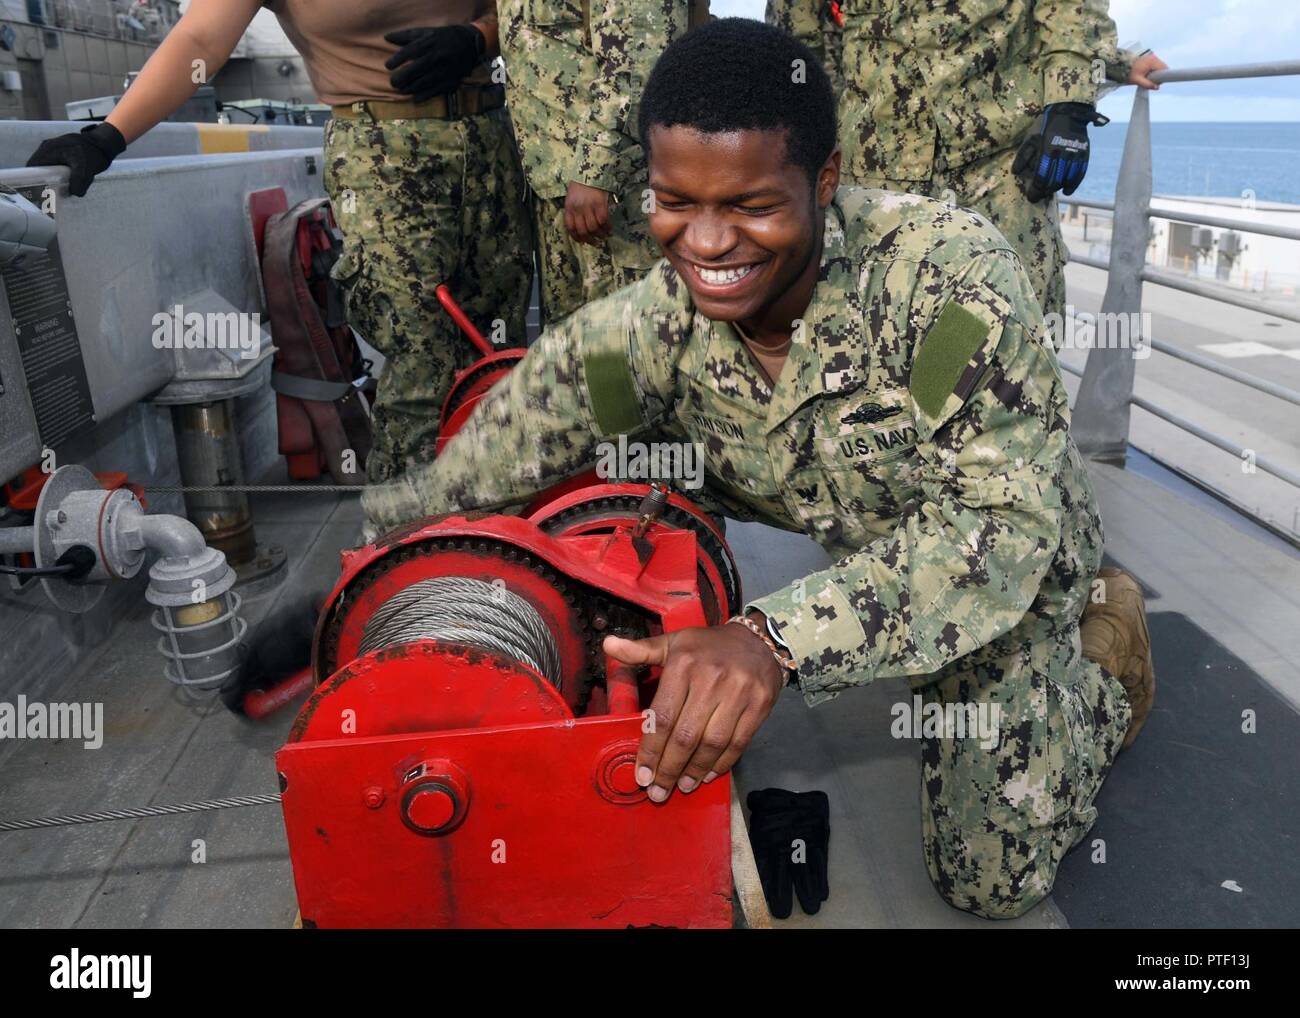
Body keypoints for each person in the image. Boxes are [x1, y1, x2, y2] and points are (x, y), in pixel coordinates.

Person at [361, 19, 1155, 920]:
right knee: (620, 460)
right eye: (674, 201)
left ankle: (1105, 663)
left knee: (990, 878)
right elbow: (530, 420)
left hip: (1003, 561)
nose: (705, 244)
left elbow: (996, 533)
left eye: (750, 206)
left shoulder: (941, 288)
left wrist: (772, 641)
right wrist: (383, 543)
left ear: (823, 181)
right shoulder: (664, 318)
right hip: (852, 523)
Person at [26, 0, 534, 483]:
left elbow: (523, 12)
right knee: (421, 357)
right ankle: (409, 546)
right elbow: (201, 38)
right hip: (385, 156)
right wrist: (108, 137)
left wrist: (478, 38)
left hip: (493, 138)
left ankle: (503, 530)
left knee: (496, 350)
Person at [817, 0, 1168, 327]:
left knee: (1008, 350)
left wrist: (1071, 103)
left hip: (1000, 167)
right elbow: (807, 35)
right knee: (882, 349)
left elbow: (1067, 9)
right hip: (874, 178)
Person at [496, 0, 709, 325]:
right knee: (577, 354)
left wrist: (595, 172)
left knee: (638, 344)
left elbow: (637, 66)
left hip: (624, 199)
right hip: (558, 193)